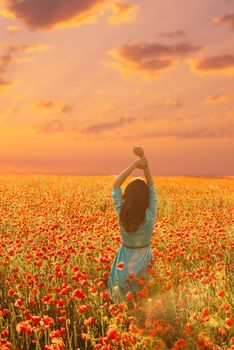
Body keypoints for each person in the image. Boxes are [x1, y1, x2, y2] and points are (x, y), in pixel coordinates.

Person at [107, 146, 157, 302]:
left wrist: (135, 165)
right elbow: (151, 188)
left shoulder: (123, 214)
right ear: (146, 199)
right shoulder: (150, 214)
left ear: (126, 197)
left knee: (122, 303)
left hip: (123, 269)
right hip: (143, 267)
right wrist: (144, 162)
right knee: (142, 301)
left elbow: (115, 185)